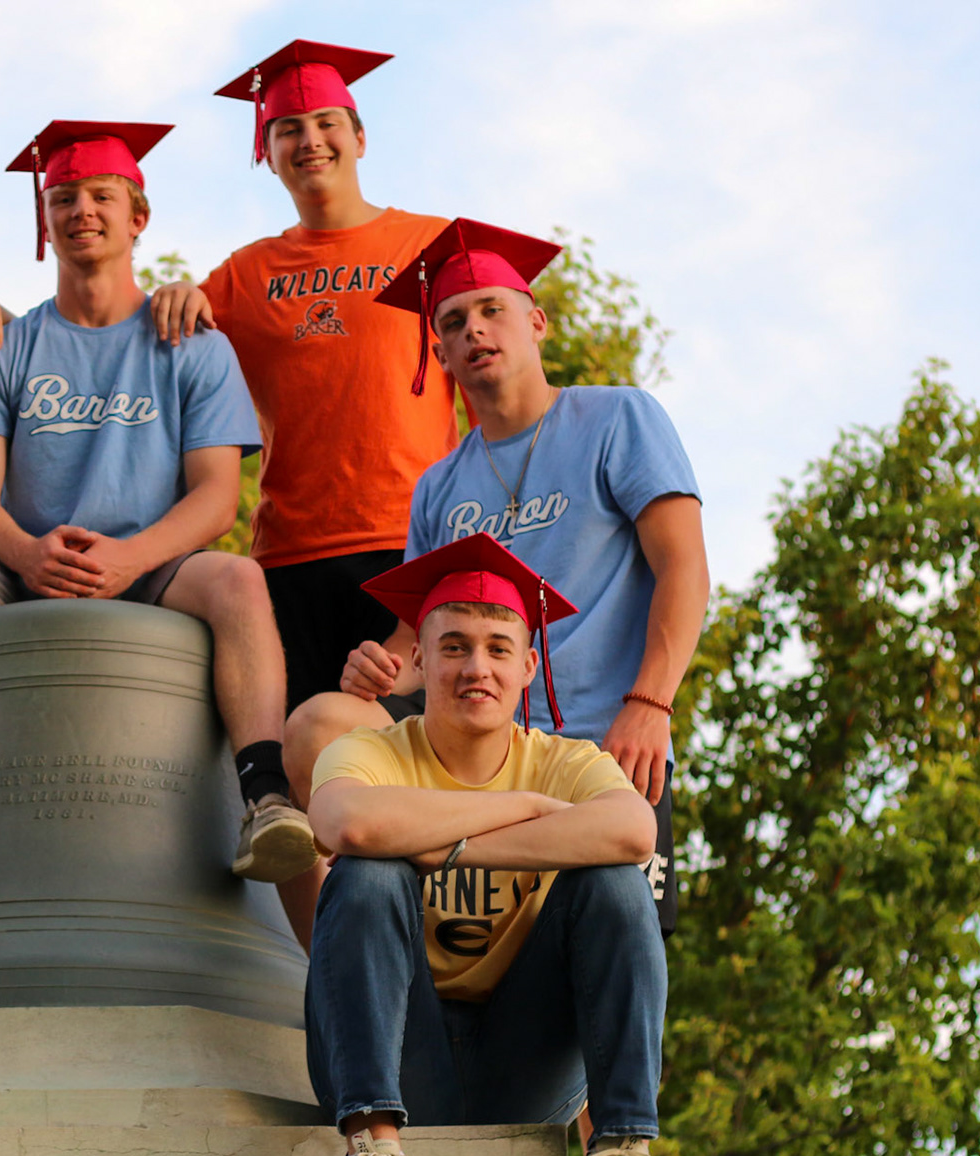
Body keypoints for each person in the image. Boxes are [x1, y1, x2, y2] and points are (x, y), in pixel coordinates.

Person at [0, 43, 456, 949]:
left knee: (430, 791)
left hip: (405, 555)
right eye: (286, 128)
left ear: (360, 134)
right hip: (290, 560)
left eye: (325, 124)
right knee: (303, 803)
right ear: (266, 150)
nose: (308, 142)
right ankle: (322, 997)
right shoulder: (247, 274)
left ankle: (469, 1020)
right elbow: (143, 322)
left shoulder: (428, 245)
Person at [0, 119, 315, 889]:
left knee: (239, 581)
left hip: (153, 563)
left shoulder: (193, 342)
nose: (81, 209)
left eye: (101, 196)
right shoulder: (4, 346)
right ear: (44, 223)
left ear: (136, 217)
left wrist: (131, 557)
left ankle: (265, 796)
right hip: (19, 562)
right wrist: (25, 553)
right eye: (63, 198)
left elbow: (217, 497)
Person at [294, 219, 709, 934]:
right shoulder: (439, 486)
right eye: (454, 321)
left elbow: (686, 567)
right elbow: (414, 647)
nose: (475, 330)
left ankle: (441, 866)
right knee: (320, 721)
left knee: (605, 957)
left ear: (535, 322)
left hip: (595, 748)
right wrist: (380, 670)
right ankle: (333, 961)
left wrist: (650, 703)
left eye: (492, 310)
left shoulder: (617, 419)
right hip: (469, 751)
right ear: (440, 352)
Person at [305, 534, 666, 1156]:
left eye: (499, 648)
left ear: (528, 666)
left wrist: (447, 844)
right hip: (404, 1052)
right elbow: (345, 821)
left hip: (525, 1063)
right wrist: (529, 809)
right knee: (366, 870)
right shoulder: (374, 752)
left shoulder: (567, 760)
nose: (478, 667)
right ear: (417, 660)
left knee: (616, 886)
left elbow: (633, 832)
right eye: (454, 647)